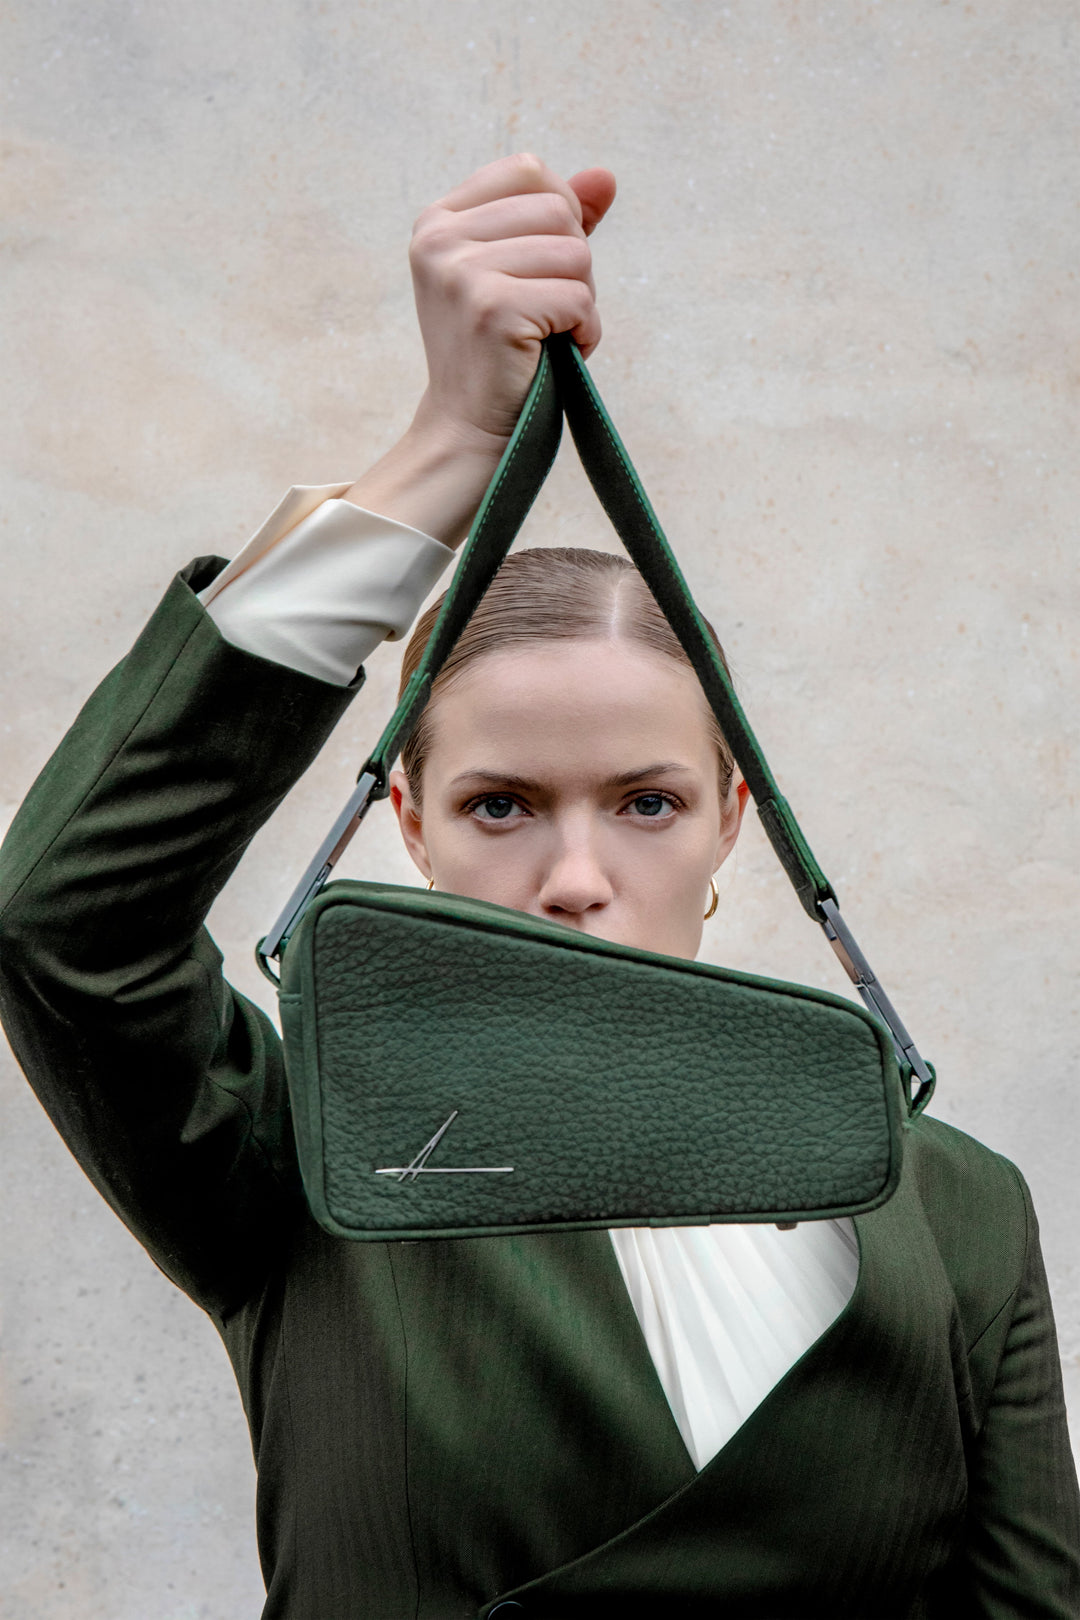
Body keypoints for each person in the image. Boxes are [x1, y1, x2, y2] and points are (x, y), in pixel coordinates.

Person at [0, 153, 1077, 1619]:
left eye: (647, 803)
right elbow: (65, 924)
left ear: (732, 821)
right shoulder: (301, 1160)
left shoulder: (955, 1210)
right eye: (502, 804)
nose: (576, 877)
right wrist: (445, 446)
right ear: (409, 821)